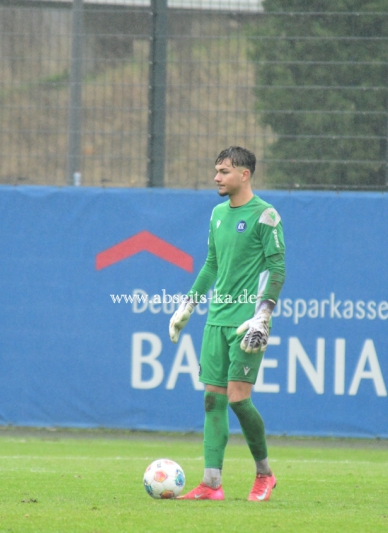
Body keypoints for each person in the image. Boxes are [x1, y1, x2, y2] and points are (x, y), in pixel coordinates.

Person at [168, 146, 286, 502]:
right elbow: (211, 265)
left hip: (247, 323)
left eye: (223, 171)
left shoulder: (265, 216)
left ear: (244, 174)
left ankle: (265, 474)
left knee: (238, 399)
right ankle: (211, 484)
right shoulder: (218, 214)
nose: (216, 177)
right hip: (216, 321)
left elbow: (277, 270)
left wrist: (262, 317)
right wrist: (188, 305)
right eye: (217, 171)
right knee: (211, 400)